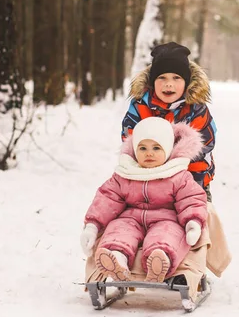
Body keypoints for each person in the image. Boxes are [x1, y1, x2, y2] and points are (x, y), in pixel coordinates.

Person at [79, 117, 208, 283]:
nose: (149, 153)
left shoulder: (177, 175)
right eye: (142, 148)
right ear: (134, 150)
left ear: (168, 150)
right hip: (131, 218)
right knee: (118, 229)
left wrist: (193, 222)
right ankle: (117, 258)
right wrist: (92, 226)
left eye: (156, 148)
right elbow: (107, 197)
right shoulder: (125, 174)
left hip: (166, 219)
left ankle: (159, 260)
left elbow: (191, 199)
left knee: (167, 234)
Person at [121, 42, 217, 201]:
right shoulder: (140, 108)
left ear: (186, 81)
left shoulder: (196, 110)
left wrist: (193, 186)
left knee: (196, 217)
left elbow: (202, 151)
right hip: (146, 178)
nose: (169, 83)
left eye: (176, 78)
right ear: (152, 82)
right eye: (162, 78)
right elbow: (130, 144)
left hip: (192, 178)